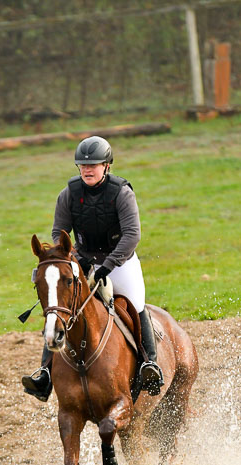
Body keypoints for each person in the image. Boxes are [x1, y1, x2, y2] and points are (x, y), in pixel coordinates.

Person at [22, 135, 164, 402]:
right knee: (60, 307)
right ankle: (45, 373)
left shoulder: (121, 192)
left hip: (120, 262)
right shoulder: (69, 194)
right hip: (83, 260)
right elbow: (58, 231)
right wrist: (73, 257)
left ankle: (149, 364)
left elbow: (132, 235)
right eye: (83, 165)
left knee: (135, 302)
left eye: (94, 165)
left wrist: (107, 266)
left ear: (107, 166)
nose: (88, 169)